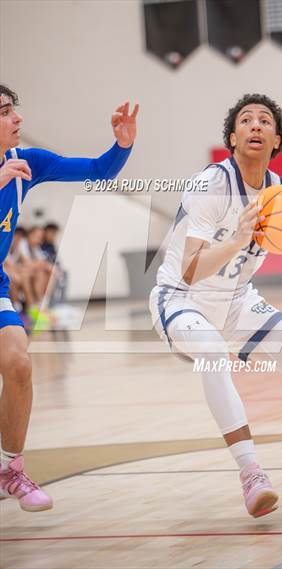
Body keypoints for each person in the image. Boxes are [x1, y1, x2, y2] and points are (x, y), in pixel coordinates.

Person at [150, 93, 282, 518]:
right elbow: (192, 270)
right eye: (245, 120)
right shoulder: (209, 184)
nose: (254, 126)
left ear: (276, 138)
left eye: (264, 121)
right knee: (213, 354)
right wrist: (235, 240)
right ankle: (252, 473)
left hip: (238, 301)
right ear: (232, 138)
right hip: (182, 299)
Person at [0, 84, 139, 511]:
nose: (17, 119)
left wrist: (121, 146)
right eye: (5, 112)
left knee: (19, 362)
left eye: (13, 109)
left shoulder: (25, 163)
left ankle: (11, 469)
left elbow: (98, 171)